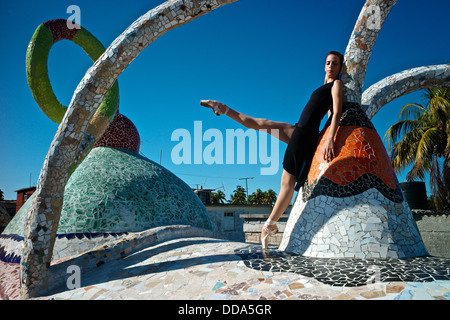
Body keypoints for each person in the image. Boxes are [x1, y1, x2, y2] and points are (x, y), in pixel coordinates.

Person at [200, 51, 344, 249]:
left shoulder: (336, 85)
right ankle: (221, 107)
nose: (329, 66)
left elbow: (335, 113)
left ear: (340, 67)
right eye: (327, 62)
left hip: (306, 136)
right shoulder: (324, 85)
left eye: (334, 63)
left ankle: (269, 224)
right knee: (261, 123)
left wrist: (329, 140)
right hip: (299, 130)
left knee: (287, 185)